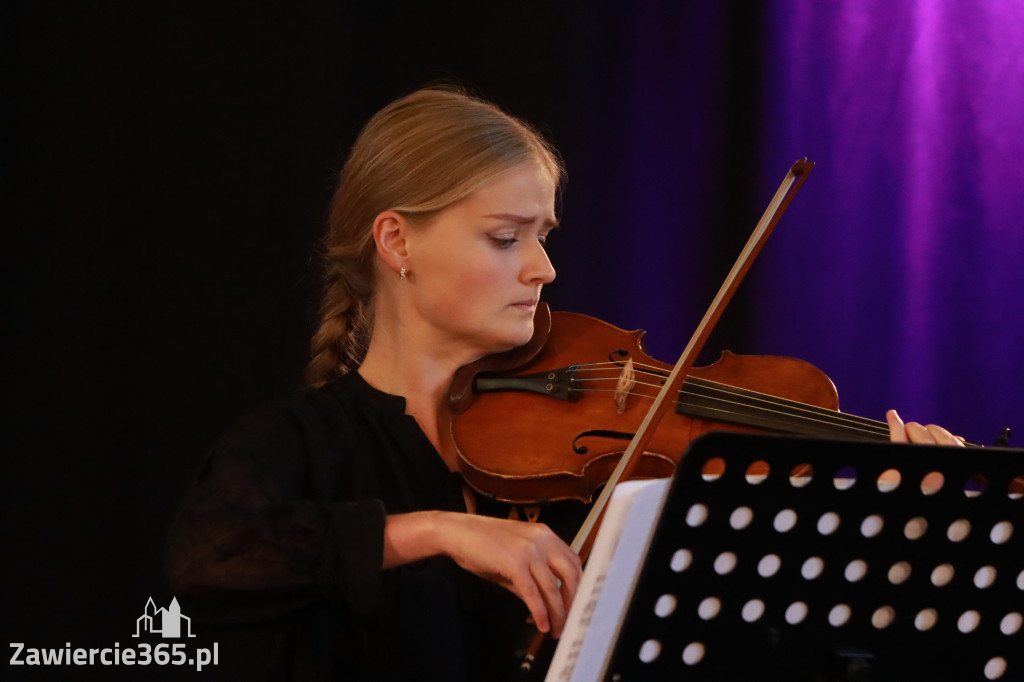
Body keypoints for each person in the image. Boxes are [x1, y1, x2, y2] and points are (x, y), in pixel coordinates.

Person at [165, 86, 963, 682]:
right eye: (505, 237)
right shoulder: (299, 445)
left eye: (542, 237)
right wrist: (437, 531)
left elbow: (778, 640)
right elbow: (210, 560)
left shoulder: (588, 476)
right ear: (396, 241)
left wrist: (904, 524)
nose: (543, 268)